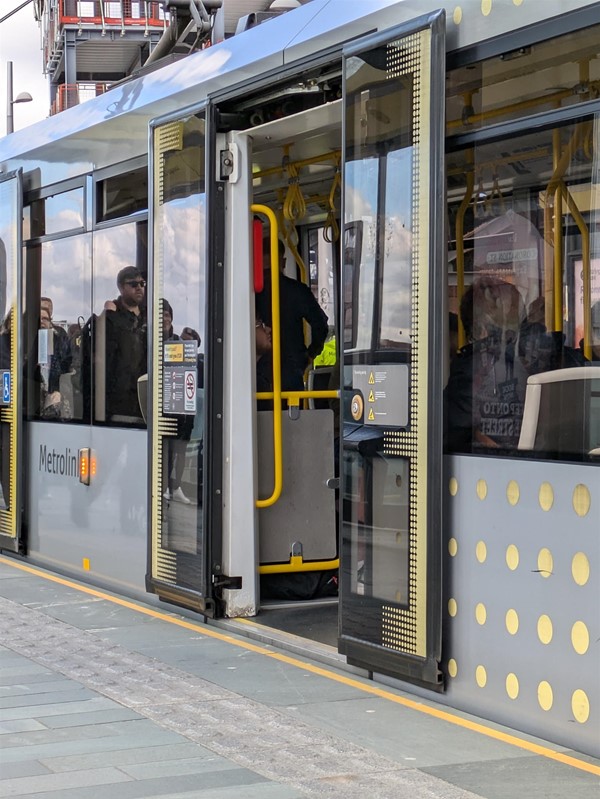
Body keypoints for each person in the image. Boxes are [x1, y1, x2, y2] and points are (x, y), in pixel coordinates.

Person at [256, 240, 329, 392]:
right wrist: (310, 354)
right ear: (283, 262)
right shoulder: (298, 291)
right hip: (291, 374)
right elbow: (321, 325)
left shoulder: (250, 294)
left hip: (257, 375)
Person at [104, 266, 147, 424]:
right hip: (120, 405)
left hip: (146, 401)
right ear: (122, 287)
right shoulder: (112, 318)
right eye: (133, 284)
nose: (139, 288)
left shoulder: (149, 317)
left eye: (142, 284)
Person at [163, 302, 194, 504]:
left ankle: (176, 487)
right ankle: (164, 485)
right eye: (161, 315)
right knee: (165, 448)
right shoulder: (149, 339)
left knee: (180, 448)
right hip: (164, 405)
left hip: (183, 404)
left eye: (167, 315)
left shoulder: (178, 342)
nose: (165, 318)